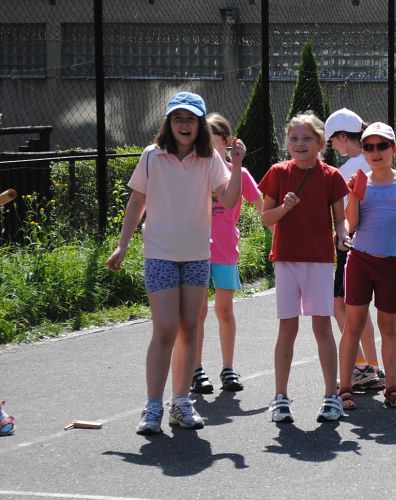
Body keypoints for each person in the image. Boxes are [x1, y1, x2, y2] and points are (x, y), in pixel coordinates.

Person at [107, 91, 244, 435]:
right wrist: (122, 245)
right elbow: (137, 202)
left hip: (197, 255)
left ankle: (180, 402)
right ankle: (153, 405)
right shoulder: (152, 156)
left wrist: (238, 163)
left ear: (200, 125)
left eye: (191, 119)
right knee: (166, 327)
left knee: (189, 327)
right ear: (169, 123)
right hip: (160, 254)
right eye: (178, 118)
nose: (184, 125)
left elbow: (229, 199)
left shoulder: (209, 159)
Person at [258, 111, 351, 423]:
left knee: (322, 327)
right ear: (287, 142)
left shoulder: (331, 176)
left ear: (321, 143)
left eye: (307, 138)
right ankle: (280, 397)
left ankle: (331, 397)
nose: (300, 144)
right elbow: (266, 217)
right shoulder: (277, 173)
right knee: (287, 329)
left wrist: (343, 236)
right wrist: (284, 207)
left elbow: (341, 219)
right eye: (294, 138)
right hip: (286, 261)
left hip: (320, 262)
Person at [337, 122, 396, 411]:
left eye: (382, 146)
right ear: (363, 151)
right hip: (361, 261)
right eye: (369, 147)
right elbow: (352, 224)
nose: (376, 152)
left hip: (391, 264)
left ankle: (392, 388)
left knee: (389, 326)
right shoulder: (360, 181)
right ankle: (345, 388)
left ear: (393, 149)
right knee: (354, 325)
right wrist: (353, 196)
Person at [190, 113, 263, 395]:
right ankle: (196, 369)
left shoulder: (238, 173)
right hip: (196, 251)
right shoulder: (195, 171)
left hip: (225, 251)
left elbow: (261, 206)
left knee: (224, 310)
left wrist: (282, 232)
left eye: (212, 140)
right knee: (197, 312)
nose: (207, 146)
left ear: (227, 141)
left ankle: (228, 368)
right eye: (202, 141)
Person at [324, 108, 383, 392]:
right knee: (361, 310)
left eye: (333, 141)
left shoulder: (347, 170)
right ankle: (374, 367)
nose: (334, 146)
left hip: (350, 243)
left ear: (344, 137)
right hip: (374, 241)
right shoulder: (373, 162)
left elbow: (338, 212)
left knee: (338, 305)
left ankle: (360, 367)